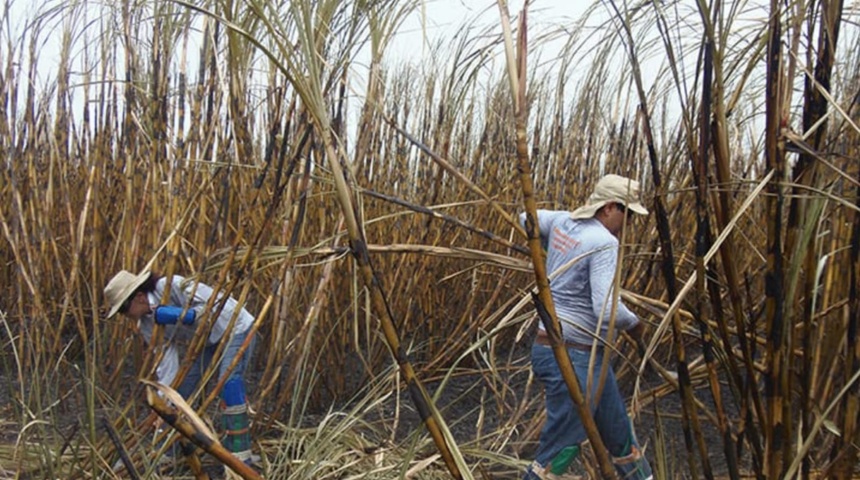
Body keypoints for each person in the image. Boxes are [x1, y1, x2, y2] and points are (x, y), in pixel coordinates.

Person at [522, 174, 653, 480]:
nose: (628, 222)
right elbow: (606, 310)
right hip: (572, 357)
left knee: (619, 433)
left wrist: (552, 251)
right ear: (609, 208)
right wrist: (634, 325)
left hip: (581, 355)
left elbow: (525, 217)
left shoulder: (561, 221)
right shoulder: (605, 242)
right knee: (560, 451)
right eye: (628, 213)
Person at [104, 269, 256, 464]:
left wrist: (180, 314)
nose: (124, 315)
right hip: (210, 341)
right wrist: (163, 402)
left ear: (139, 297)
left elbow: (215, 304)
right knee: (181, 394)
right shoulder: (146, 326)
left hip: (235, 326)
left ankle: (241, 457)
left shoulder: (171, 285)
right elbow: (166, 362)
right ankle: (168, 452)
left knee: (229, 384)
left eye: (124, 309)